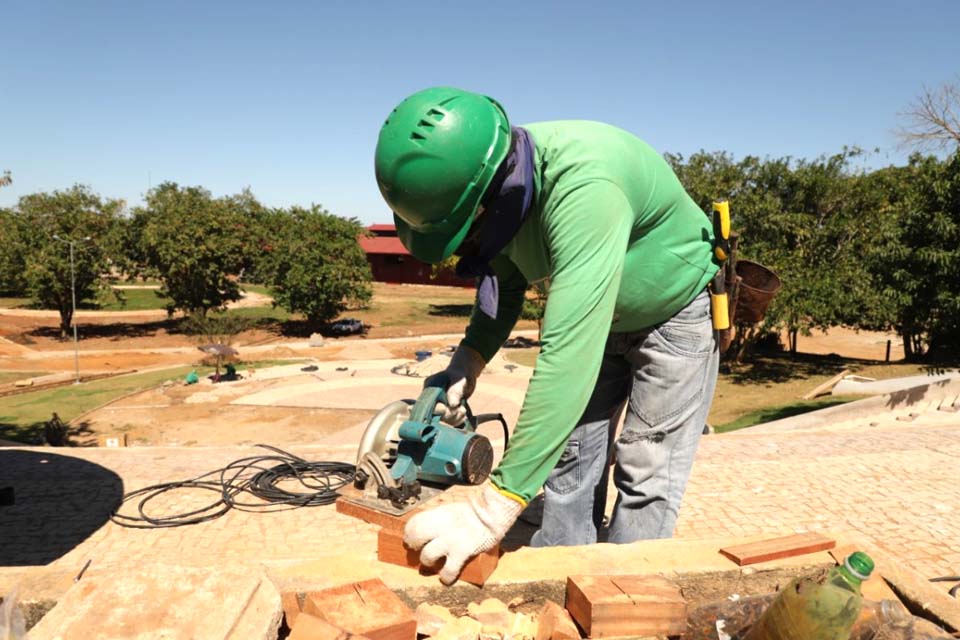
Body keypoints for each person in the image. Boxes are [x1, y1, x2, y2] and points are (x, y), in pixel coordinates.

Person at [374, 87, 721, 584]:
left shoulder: (586, 187)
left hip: (675, 314)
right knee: (571, 456)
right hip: (606, 319)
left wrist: (493, 505)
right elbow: (505, 282)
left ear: (486, 200)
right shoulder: (501, 187)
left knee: (646, 466)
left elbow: (566, 360)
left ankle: (626, 596)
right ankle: (560, 576)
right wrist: (469, 359)